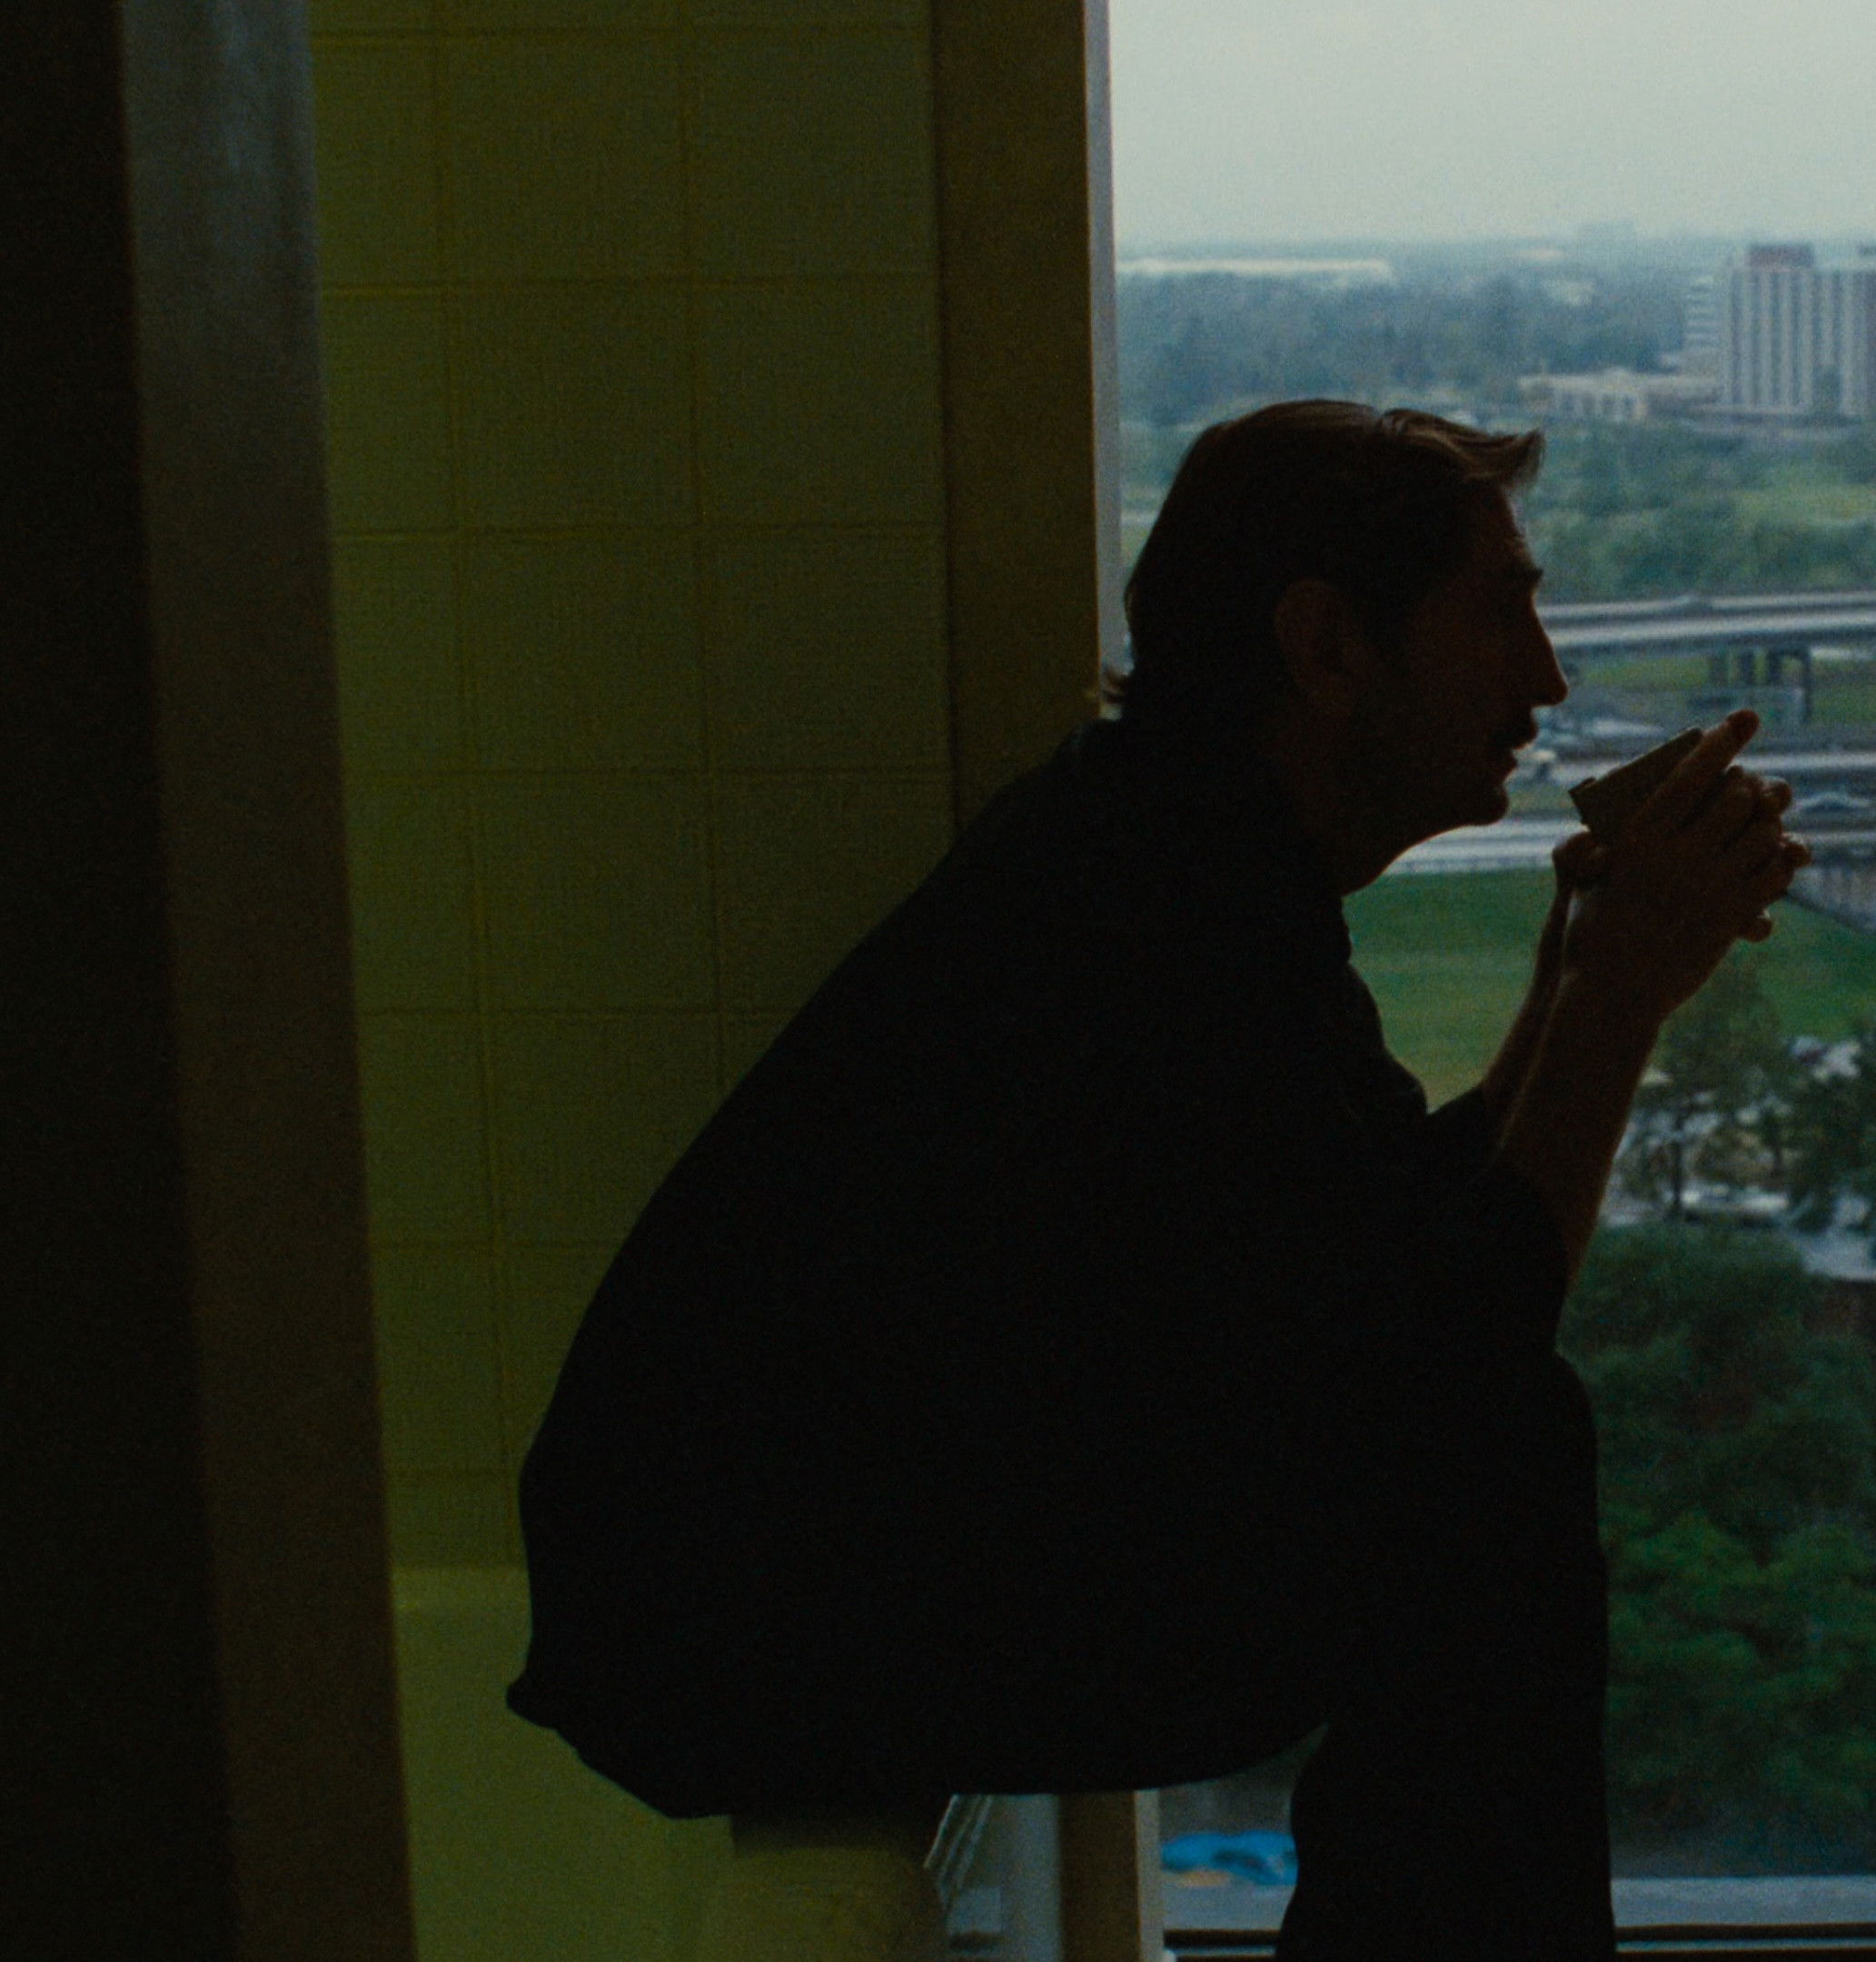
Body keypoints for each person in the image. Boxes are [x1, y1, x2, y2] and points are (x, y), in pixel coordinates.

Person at [508, 401, 1809, 1961]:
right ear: (1328, 646)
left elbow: (1401, 1263)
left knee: (1487, 1452)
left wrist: (1580, 973)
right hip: (733, 1637)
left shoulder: (1163, 846)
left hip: (755, 1593)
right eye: (1499, 612)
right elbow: (1455, 1351)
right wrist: (1615, 1000)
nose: (1546, 676)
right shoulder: (1167, 915)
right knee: (1498, 1457)